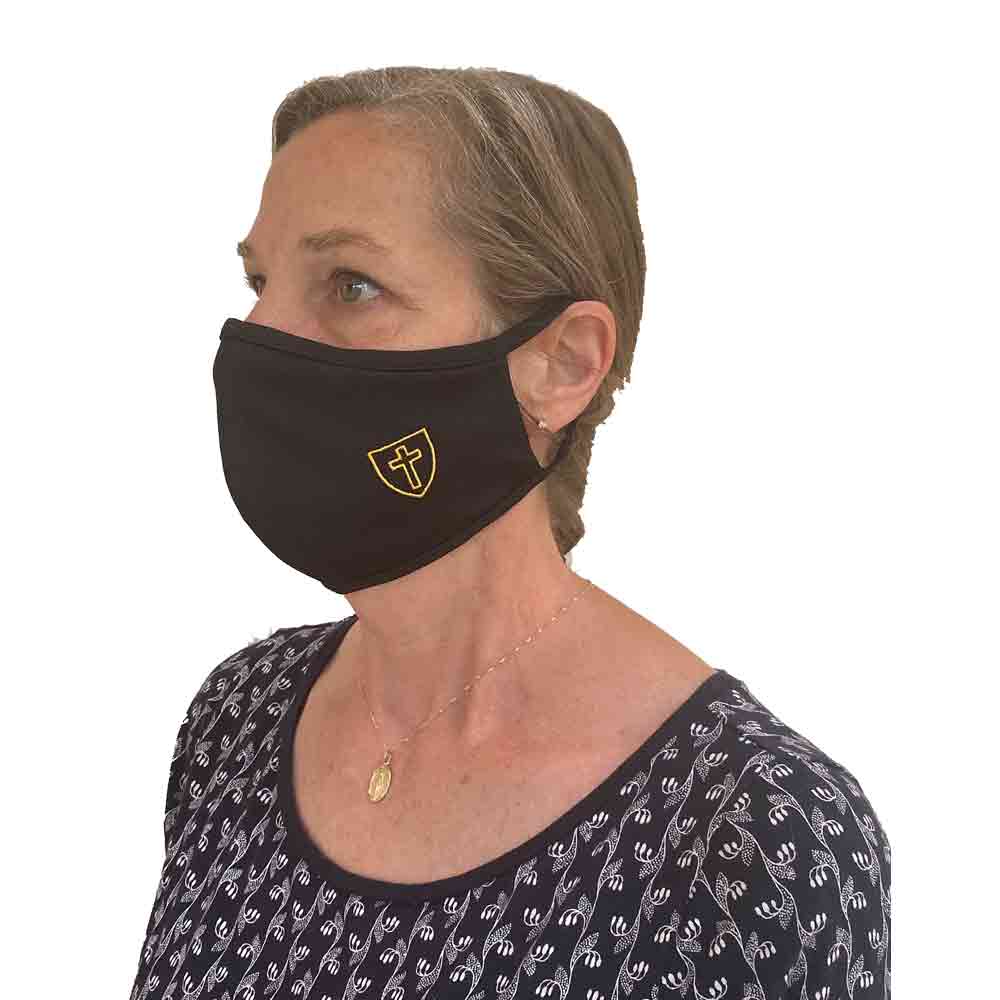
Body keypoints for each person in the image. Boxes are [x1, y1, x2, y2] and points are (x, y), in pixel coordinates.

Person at [130, 67, 890, 999]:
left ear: (562, 364)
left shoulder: (749, 836)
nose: (260, 336)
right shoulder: (240, 718)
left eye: (351, 285)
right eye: (260, 281)